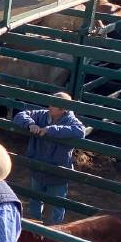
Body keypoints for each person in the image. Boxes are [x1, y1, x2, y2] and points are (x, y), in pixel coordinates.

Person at [13, 92, 86, 225]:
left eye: (54, 105)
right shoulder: (42, 114)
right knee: (35, 200)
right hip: (38, 168)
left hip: (58, 172)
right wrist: (30, 124)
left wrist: (51, 130)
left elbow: (81, 131)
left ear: (63, 110)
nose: (49, 107)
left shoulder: (71, 121)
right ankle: (34, 228)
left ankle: (55, 232)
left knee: (57, 205)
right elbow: (20, 115)